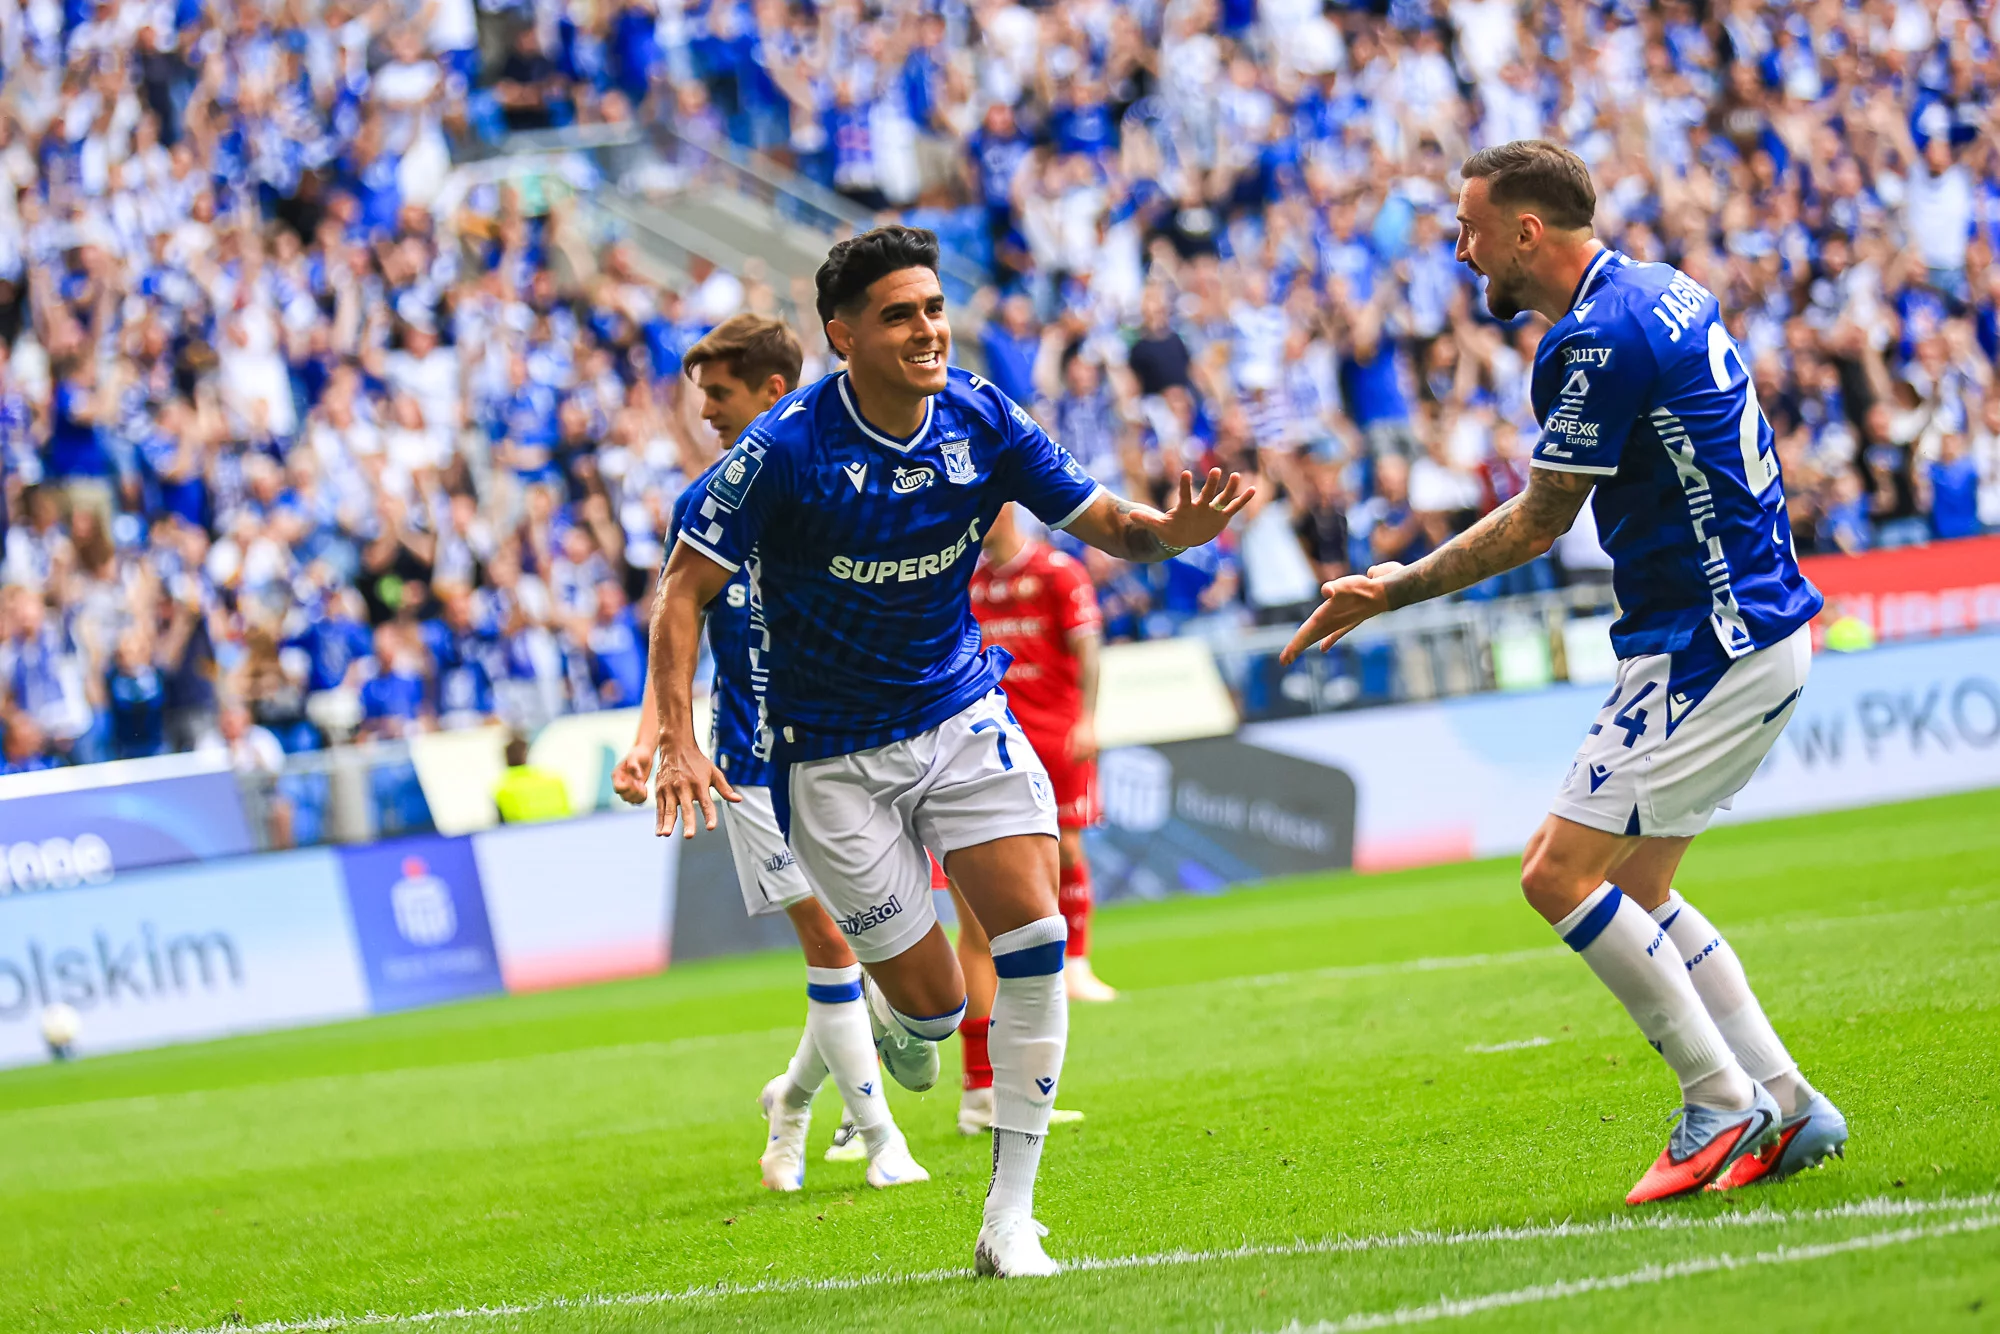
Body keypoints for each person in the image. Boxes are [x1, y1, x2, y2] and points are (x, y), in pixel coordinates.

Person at [648, 226, 1250, 1277]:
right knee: (931, 1012)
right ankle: (903, 1021)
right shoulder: (782, 449)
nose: (928, 329)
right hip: (827, 759)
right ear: (843, 336)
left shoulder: (980, 415)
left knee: (1033, 939)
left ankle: (1009, 1218)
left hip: (958, 713)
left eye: (933, 308)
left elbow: (1108, 520)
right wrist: (671, 731)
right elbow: (681, 591)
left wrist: (1170, 531)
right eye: (899, 315)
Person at [1282, 142, 1843, 1205]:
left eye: (1469, 230)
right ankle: (1788, 1100)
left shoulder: (1592, 337)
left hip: (1708, 642)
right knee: (1634, 888)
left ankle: (1720, 1101)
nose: (1459, 251)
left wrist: (1395, 586)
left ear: (1525, 232)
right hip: (1752, 626)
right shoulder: (1663, 288)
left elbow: (1539, 522)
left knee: (1554, 874)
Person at [613, 313, 930, 1194]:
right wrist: (648, 741)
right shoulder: (704, 505)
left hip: (849, 748)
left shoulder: (834, 488)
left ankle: (790, 1101)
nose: (705, 411)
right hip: (751, 764)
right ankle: (882, 1142)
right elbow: (673, 635)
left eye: (719, 393)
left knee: (877, 950)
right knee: (831, 941)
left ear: (773, 391)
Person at [951, 502, 1110, 1138]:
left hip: (1048, 733)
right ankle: (988, 1091)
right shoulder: (964, 578)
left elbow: (1088, 649)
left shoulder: (1057, 571)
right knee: (991, 923)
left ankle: (1079, 965)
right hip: (984, 745)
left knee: (1057, 860)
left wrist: (1088, 718)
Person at [493, 733, 572, 824]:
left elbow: (503, 824)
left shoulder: (502, 788)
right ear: (526, 755)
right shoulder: (555, 780)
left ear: (505, 758)